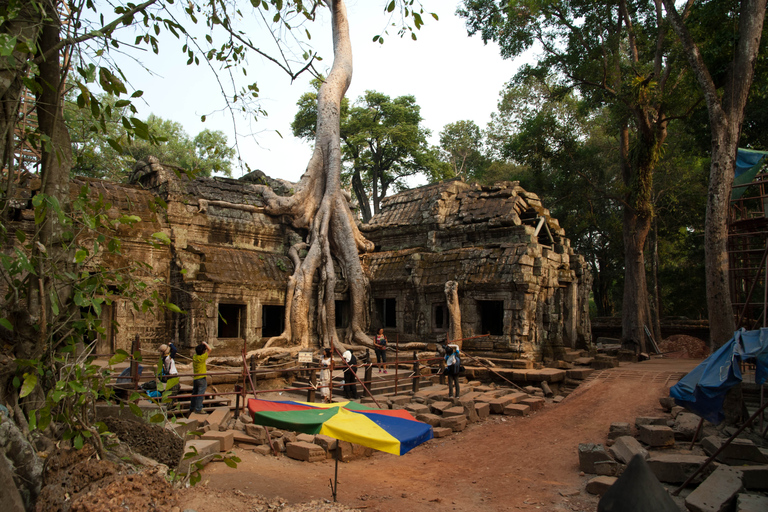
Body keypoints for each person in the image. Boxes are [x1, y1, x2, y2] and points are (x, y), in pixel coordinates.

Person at [190, 341, 211, 414]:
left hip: (196, 378)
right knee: (200, 394)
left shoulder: (194, 357)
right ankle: (198, 408)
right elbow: (210, 349)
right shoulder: (202, 357)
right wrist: (205, 343)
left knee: (194, 393)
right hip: (202, 378)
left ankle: (192, 407)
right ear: (203, 351)